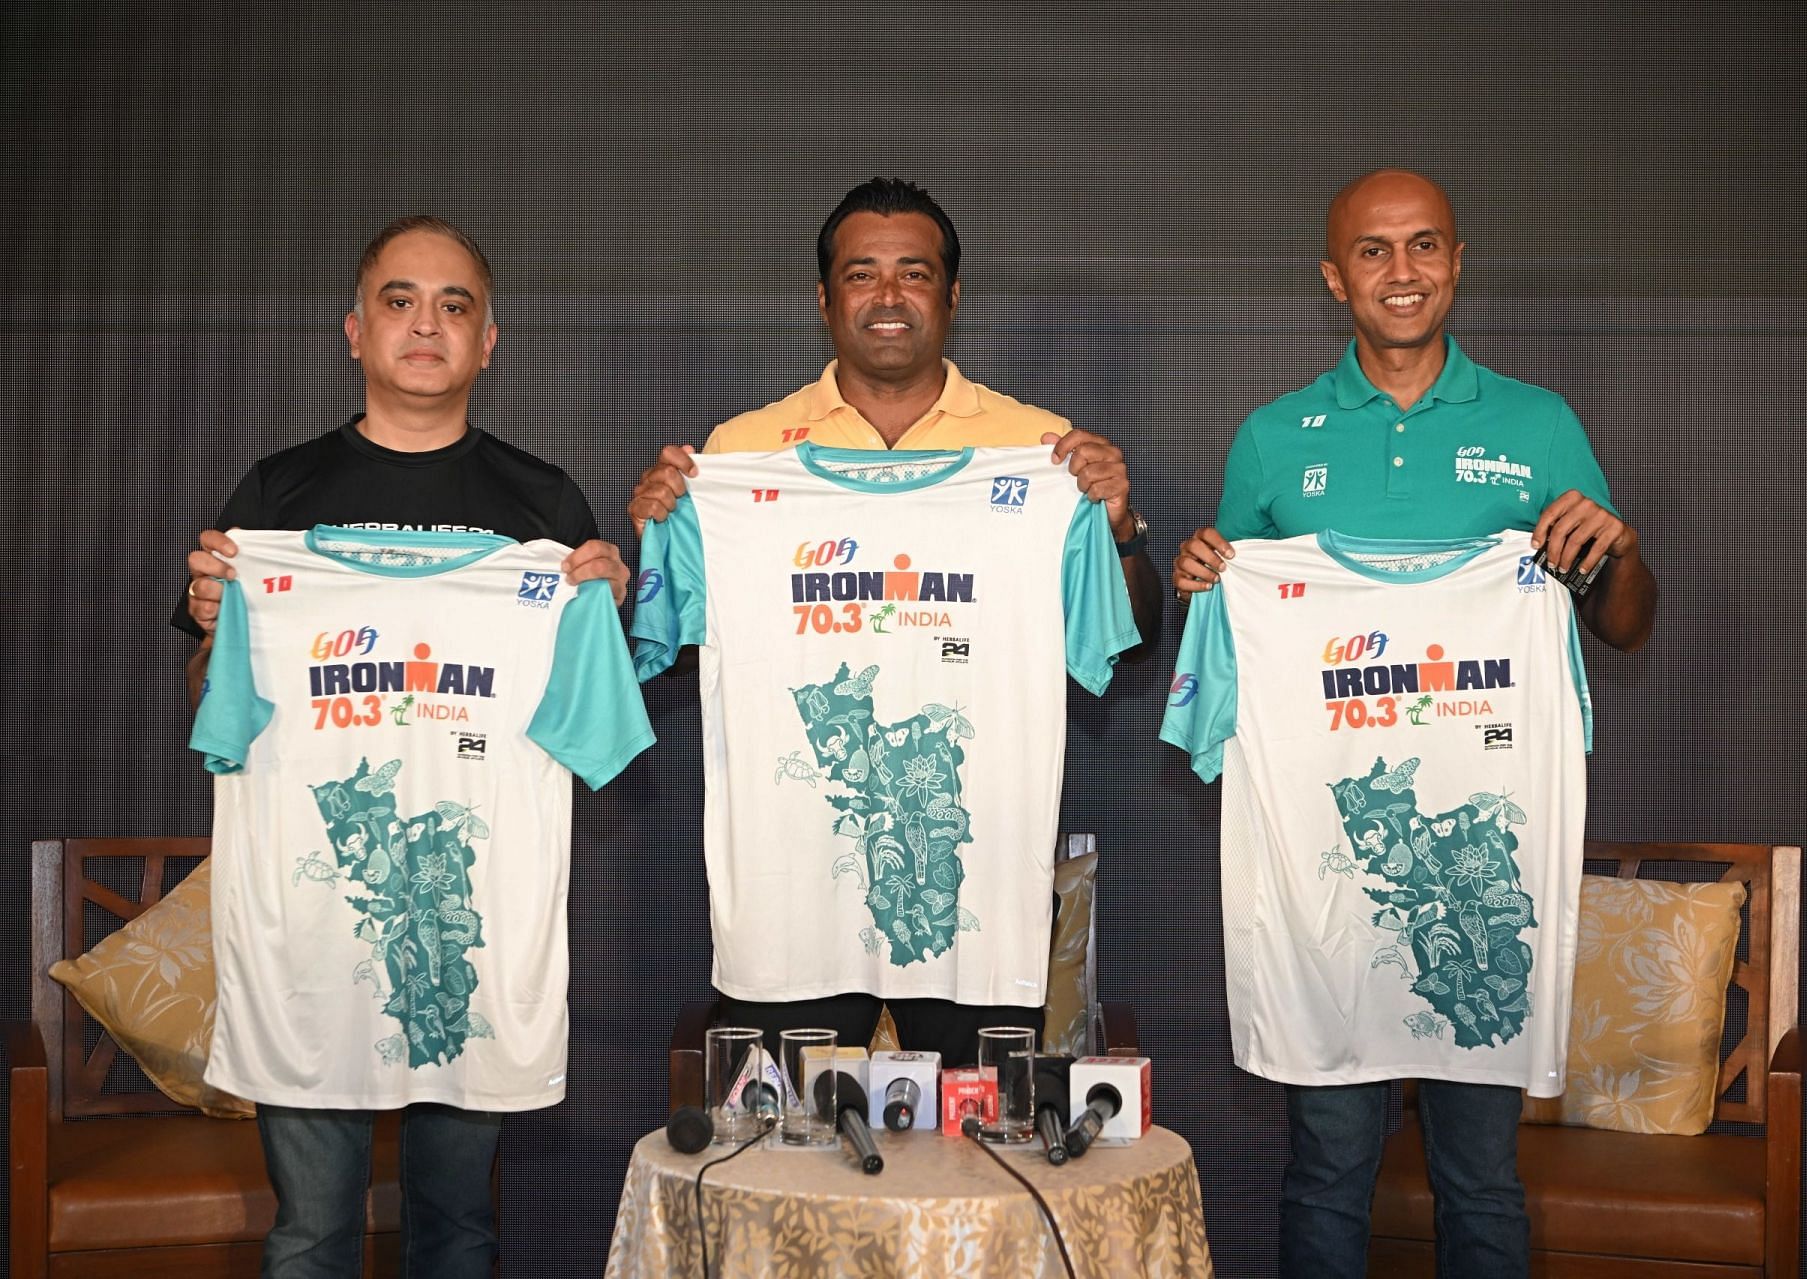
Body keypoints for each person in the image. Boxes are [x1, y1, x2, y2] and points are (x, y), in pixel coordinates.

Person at [1172, 169, 1657, 1277]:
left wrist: (1619, 552)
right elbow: (1225, 628)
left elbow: (1624, 628)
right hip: (1333, 890)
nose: (1404, 272)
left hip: (1484, 875)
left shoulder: (1536, 425)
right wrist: (1209, 579)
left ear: (1457, 261)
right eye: (1377, 252)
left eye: (1425, 247)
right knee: (1328, 1172)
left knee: (1481, 1182)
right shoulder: (1272, 439)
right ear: (1334, 276)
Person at [176, 215, 630, 1277]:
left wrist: (598, 616)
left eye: (454, 305)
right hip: (307, 942)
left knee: (456, 1231)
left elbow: (594, 727)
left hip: (465, 940)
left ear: (487, 341)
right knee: (311, 1235)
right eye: (399, 300)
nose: (426, 324)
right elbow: (213, 716)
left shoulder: (543, 510)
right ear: (354, 329)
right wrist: (214, 627)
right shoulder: (273, 508)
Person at [626, 177, 1160, 1065]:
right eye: (861, 274)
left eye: (913, 274)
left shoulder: (1041, 452)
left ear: (951, 296)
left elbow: (1121, 635)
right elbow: (671, 648)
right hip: (790, 914)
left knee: (985, 1175)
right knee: (776, 1171)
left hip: (973, 913)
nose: (886, 296)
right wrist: (662, 533)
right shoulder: (738, 456)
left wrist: (1116, 528)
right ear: (825, 297)